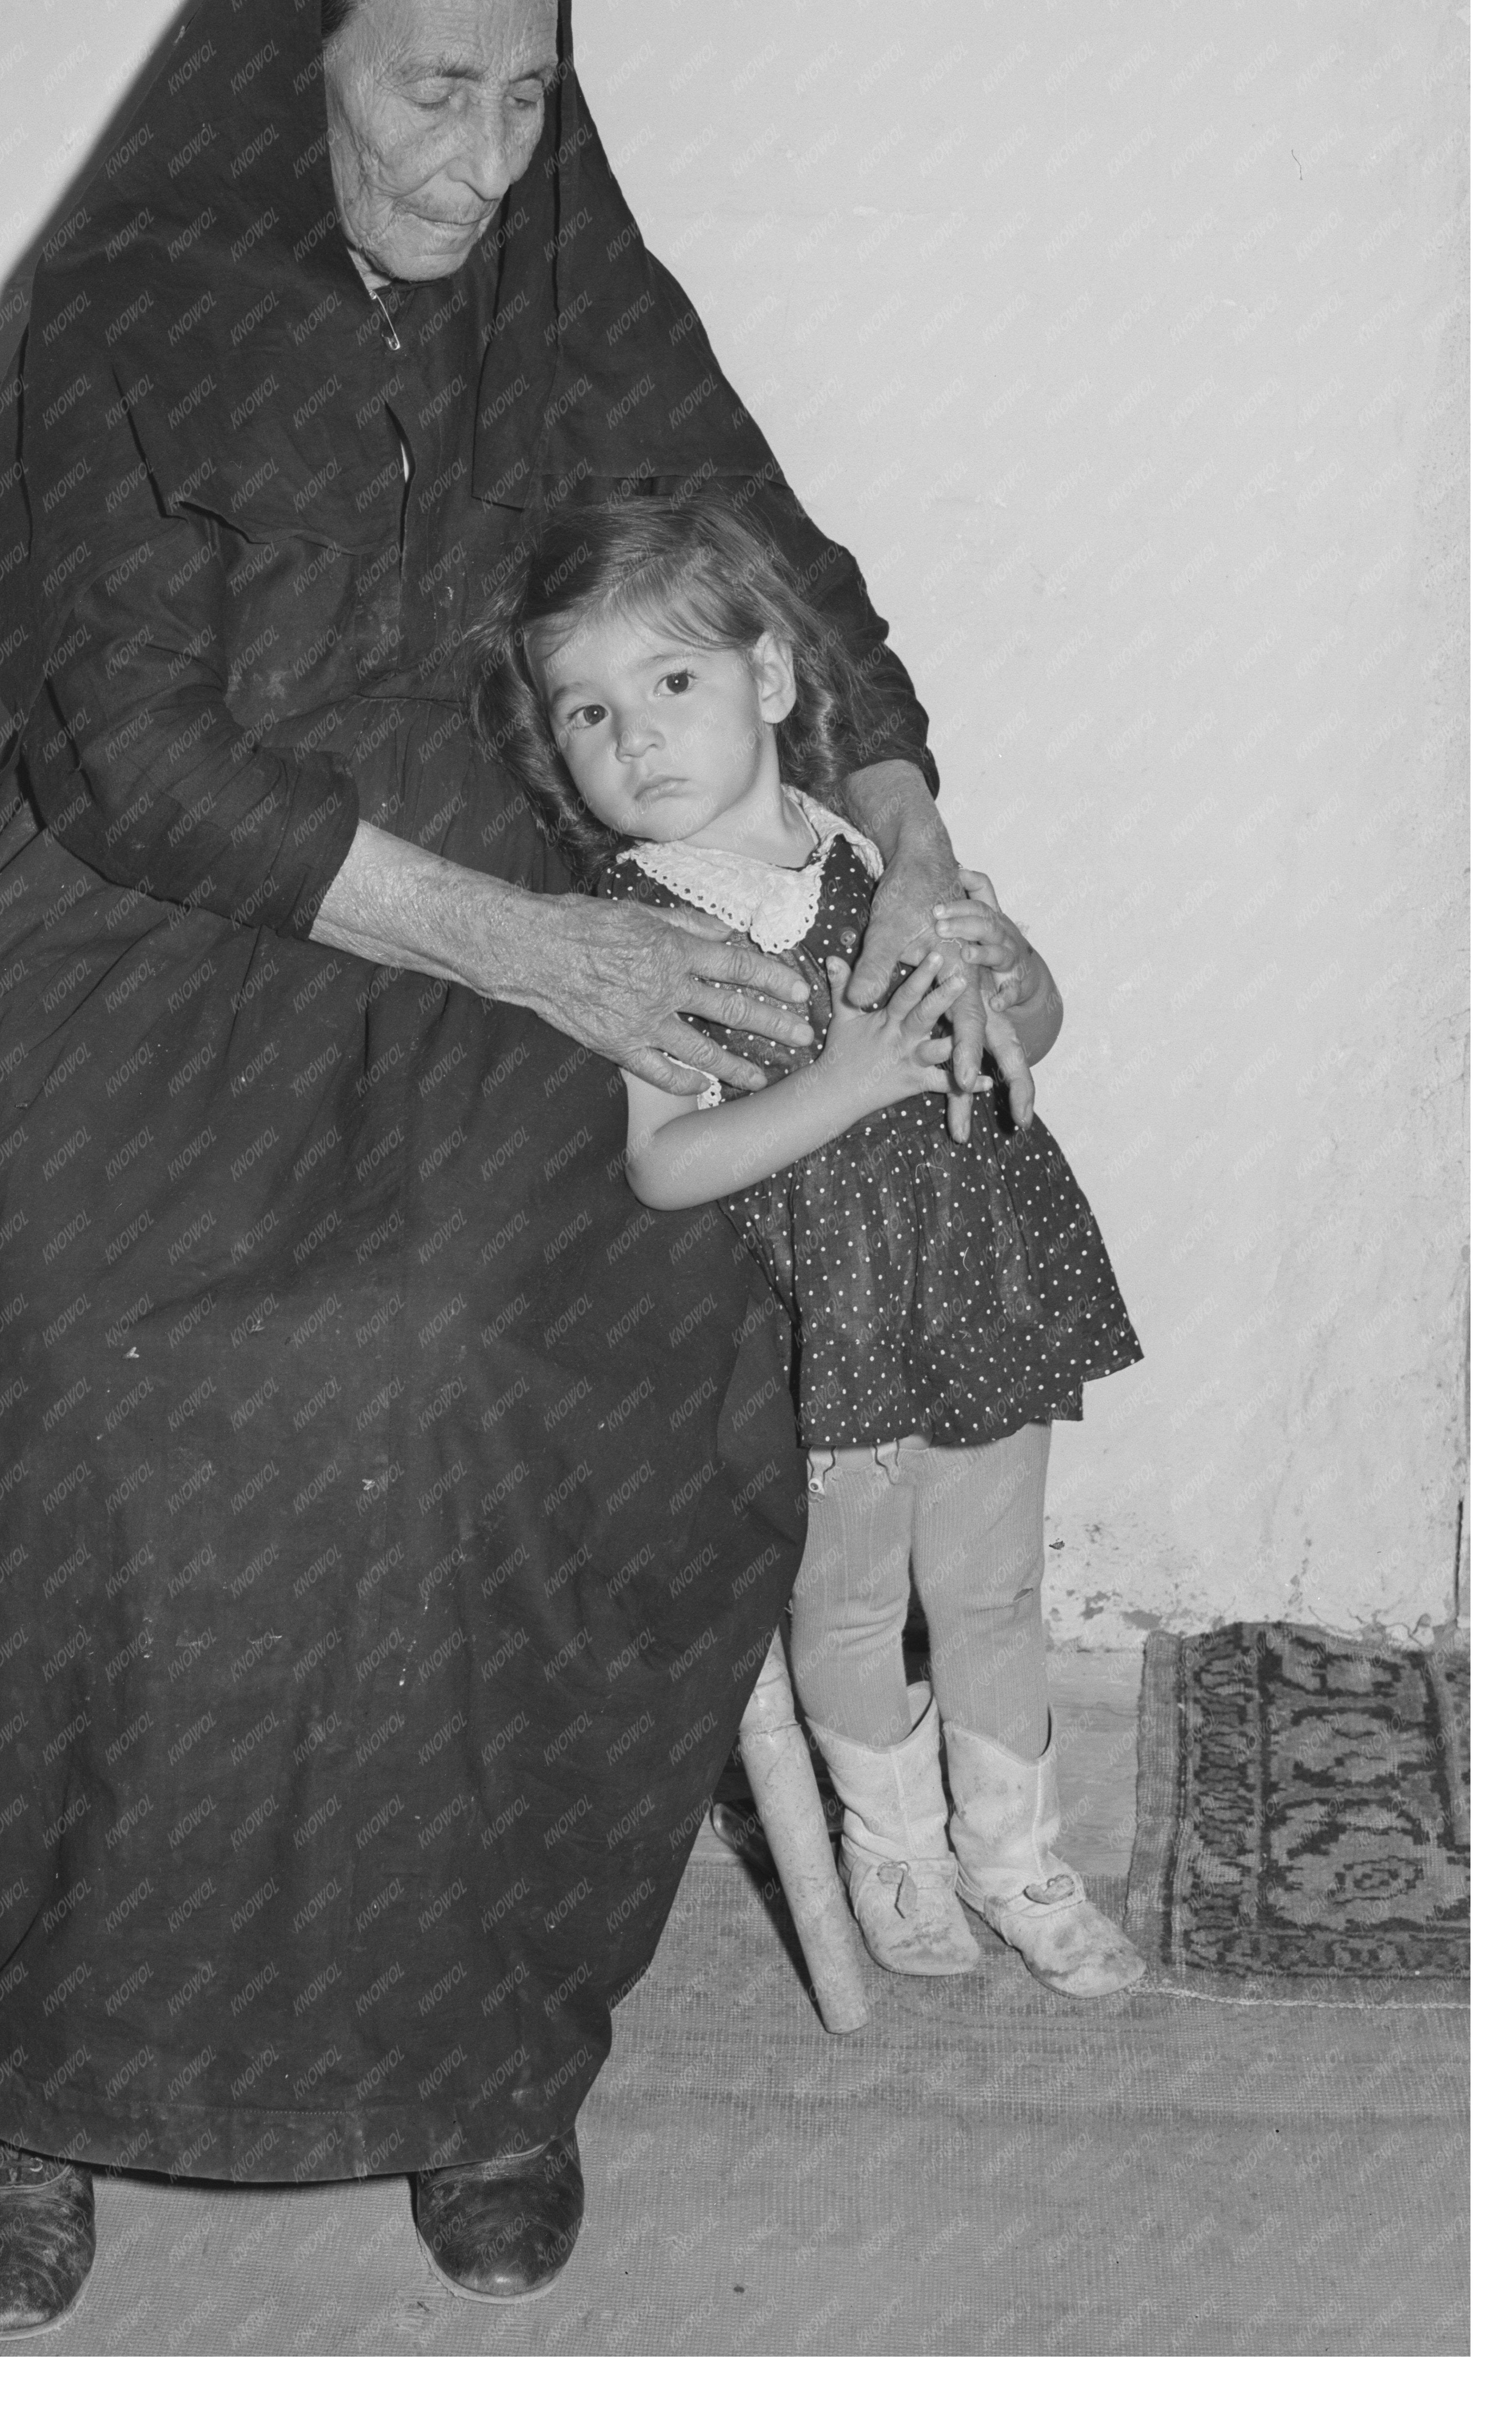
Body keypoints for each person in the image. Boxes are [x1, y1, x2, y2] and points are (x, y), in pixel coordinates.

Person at [0, 0, 989, 2338]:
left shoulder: (574, 280)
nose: (483, 159)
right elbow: (125, 750)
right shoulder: (129, 301)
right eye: (429, 96)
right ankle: (32, 2075)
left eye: (531, 99)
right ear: (303, 71)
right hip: (162, 938)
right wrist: (535, 952)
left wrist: (905, 821)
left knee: (517, 1357)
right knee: (141, 1419)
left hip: (543, 904)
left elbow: (774, 558)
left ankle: (483, 2046)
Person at [469, 488, 1147, 2000]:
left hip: (979, 1268)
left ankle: (1016, 1858)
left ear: (768, 682)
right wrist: (843, 1082)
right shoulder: (641, 929)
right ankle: (894, 1852)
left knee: (988, 1593)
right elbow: (662, 1165)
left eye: (673, 684)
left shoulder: (873, 856)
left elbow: (1027, 1029)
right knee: (845, 1602)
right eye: (589, 711)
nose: (634, 738)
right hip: (818, 1318)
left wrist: (1012, 974)